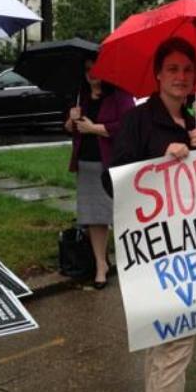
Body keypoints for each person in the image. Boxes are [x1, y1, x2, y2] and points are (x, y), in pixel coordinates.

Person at [109, 37, 196, 392]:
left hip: (186, 246)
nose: (181, 77)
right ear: (157, 74)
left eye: (188, 70)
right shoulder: (138, 121)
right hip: (153, 252)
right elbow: (111, 178)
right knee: (174, 346)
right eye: (173, 69)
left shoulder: (193, 121)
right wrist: (156, 164)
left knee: (167, 348)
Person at [65, 57, 134, 288]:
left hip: (113, 164)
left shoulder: (120, 95)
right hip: (87, 163)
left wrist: (94, 128)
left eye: (95, 69)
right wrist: (70, 123)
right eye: (87, 70)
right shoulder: (81, 98)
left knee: (121, 214)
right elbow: (76, 131)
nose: (91, 74)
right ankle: (100, 264)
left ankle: (131, 261)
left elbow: (128, 125)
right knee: (95, 217)